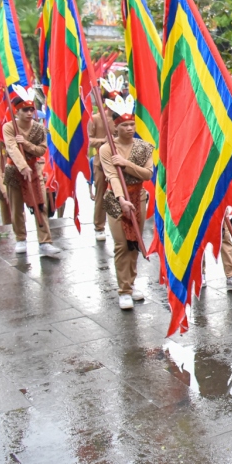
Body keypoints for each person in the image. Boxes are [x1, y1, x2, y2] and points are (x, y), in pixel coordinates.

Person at [99, 94, 153, 309]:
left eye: (132, 124)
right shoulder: (107, 149)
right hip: (115, 199)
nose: (130, 128)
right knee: (122, 244)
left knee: (135, 243)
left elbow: (147, 174)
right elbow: (112, 176)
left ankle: (131, 283)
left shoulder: (144, 147)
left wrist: (126, 164)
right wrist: (121, 199)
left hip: (138, 196)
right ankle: (124, 290)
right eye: (125, 125)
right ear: (116, 126)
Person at [2, 85, 60, 257]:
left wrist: (26, 144)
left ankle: (45, 242)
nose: (29, 113)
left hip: (34, 170)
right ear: (17, 112)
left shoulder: (39, 128)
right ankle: (20, 238)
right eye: (25, 110)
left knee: (40, 203)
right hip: (15, 170)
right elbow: (11, 148)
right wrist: (22, 166)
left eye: (31, 109)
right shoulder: (9, 127)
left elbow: (41, 150)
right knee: (16, 207)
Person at [88, 75, 119, 242]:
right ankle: (99, 226)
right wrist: (103, 141)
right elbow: (89, 140)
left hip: (119, 162)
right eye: (112, 99)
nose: (115, 101)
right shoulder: (95, 118)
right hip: (101, 163)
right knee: (101, 194)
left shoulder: (121, 118)